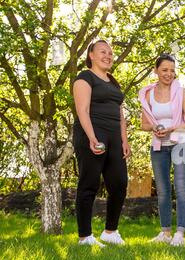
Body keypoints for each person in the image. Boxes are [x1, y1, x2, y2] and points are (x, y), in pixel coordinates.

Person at [72, 40, 131, 247]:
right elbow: (82, 110)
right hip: (92, 132)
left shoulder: (114, 82)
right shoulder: (84, 77)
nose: (108, 55)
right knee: (89, 184)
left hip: (114, 136)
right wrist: (91, 137)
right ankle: (85, 237)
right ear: (91, 56)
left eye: (110, 53)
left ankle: (110, 231)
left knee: (120, 183)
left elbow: (120, 114)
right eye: (102, 52)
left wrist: (124, 139)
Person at [139, 53, 185, 247]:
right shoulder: (147, 94)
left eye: (172, 70)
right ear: (156, 70)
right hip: (158, 146)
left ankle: (180, 233)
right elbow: (144, 124)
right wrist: (154, 128)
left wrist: (172, 128)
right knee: (163, 190)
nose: (168, 74)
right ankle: (165, 232)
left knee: (181, 187)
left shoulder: (182, 92)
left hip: (181, 142)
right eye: (164, 70)